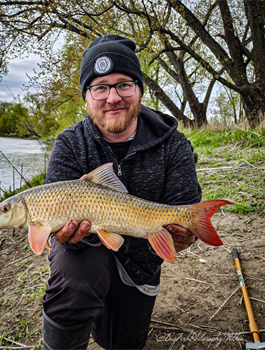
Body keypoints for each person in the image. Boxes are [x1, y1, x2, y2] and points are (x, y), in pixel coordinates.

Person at [42, 34, 201, 350]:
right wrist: (62, 235)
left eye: (124, 84)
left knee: (122, 342)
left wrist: (186, 236)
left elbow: (184, 221)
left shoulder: (174, 144)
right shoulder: (69, 144)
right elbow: (53, 231)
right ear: (86, 98)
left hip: (142, 262)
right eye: (100, 87)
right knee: (72, 284)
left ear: (139, 90)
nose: (113, 97)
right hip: (87, 255)